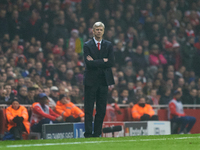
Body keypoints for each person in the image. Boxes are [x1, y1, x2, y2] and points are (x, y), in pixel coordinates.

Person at [83, 22, 115, 138]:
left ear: (103, 31)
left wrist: (95, 62)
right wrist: (103, 61)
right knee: (88, 109)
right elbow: (88, 64)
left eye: (101, 29)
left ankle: (97, 133)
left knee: (101, 109)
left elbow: (111, 62)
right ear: (93, 30)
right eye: (97, 29)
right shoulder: (87, 45)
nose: (99, 31)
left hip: (103, 81)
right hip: (90, 81)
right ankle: (88, 133)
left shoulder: (108, 45)